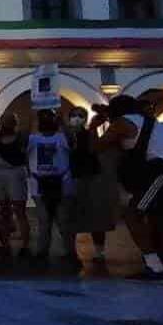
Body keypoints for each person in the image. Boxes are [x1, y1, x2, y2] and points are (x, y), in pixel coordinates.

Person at [90, 95, 163, 280]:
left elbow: (96, 147)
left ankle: (156, 266)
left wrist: (93, 127)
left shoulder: (121, 123)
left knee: (133, 213)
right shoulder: (146, 121)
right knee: (158, 217)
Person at [66, 107, 118, 265]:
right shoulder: (66, 136)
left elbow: (95, 151)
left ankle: (100, 252)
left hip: (92, 178)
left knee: (97, 218)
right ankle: (71, 250)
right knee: (72, 217)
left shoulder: (91, 134)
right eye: (73, 115)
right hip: (73, 178)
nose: (76, 118)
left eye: (80, 116)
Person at [28, 109, 78, 268]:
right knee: (45, 221)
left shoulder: (62, 137)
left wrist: (61, 121)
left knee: (63, 221)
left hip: (61, 183)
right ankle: (42, 251)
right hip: (41, 184)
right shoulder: (32, 138)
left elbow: (71, 138)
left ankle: (70, 252)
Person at [0, 112, 31, 259]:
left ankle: (25, 246)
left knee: (19, 210)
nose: (5, 123)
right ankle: (5, 245)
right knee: (3, 210)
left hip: (15, 173)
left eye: (8, 121)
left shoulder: (21, 138)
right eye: (4, 121)